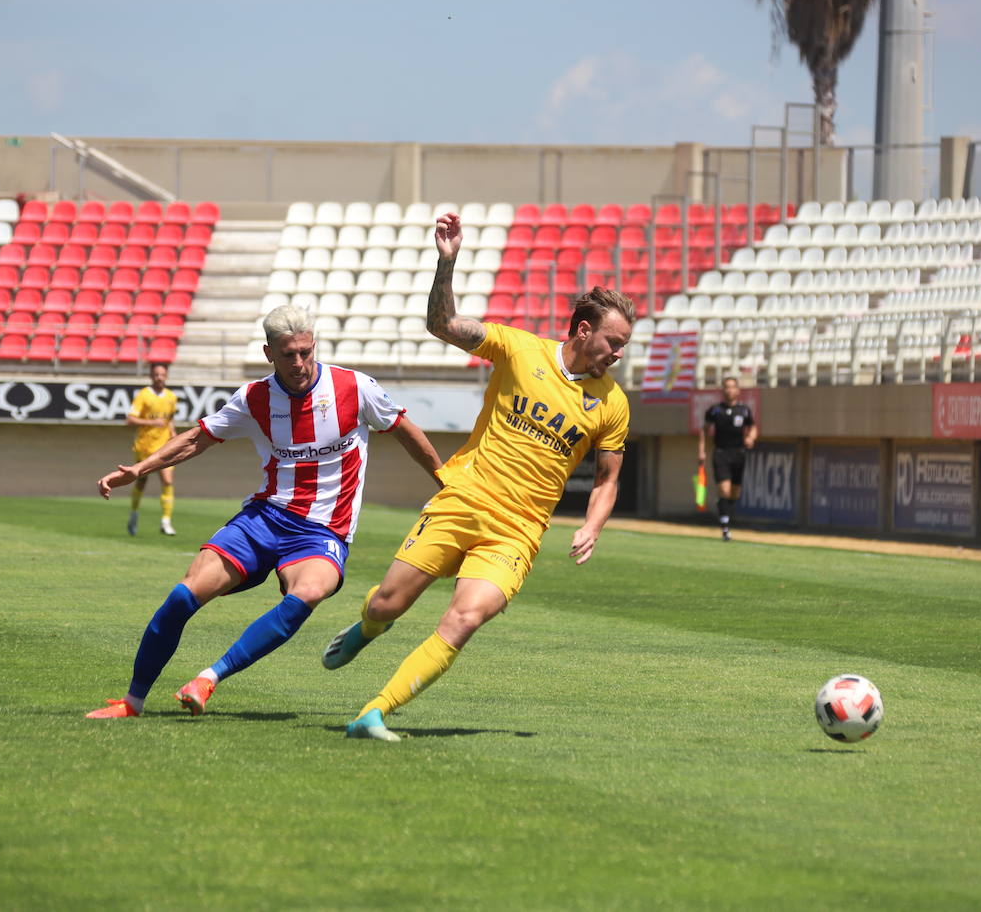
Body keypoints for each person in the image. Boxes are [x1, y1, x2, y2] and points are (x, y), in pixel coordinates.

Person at [321, 213, 634, 743]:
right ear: (584, 331)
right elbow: (443, 325)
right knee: (386, 603)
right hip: (462, 498)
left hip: (518, 531)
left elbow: (607, 480)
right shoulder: (519, 349)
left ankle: (374, 712)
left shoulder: (613, 403)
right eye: (613, 341)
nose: (619, 352)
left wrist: (594, 525)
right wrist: (448, 263)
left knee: (464, 620)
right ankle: (369, 626)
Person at [86, 305, 443, 719]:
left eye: (306, 352)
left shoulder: (354, 387)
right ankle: (132, 702)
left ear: (314, 346)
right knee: (185, 594)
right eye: (288, 354)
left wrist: (445, 482)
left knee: (308, 592)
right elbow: (197, 438)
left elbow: (405, 429)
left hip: (323, 531)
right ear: (268, 352)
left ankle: (208, 679)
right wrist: (140, 469)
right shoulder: (254, 398)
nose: (299, 363)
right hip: (264, 517)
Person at [698, 376, 758, 542]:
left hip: (739, 454)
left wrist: (751, 438)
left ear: (738, 390)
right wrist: (701, 451)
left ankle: (724, 511)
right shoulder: (715, 410)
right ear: (722, 390)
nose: (729, 390)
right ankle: (725, 528)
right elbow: (704, 430)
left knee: (735, 493)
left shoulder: (744, 410)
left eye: (732, 387)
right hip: (721, 453)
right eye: (726, 387)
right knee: (724, 489)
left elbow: (752, 427)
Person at [125, 362, 179, 536]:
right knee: (141, 482)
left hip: (163, 446)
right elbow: (130, 420)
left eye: (162, 375)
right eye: (156, 375)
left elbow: (169, 419)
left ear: (166, 376)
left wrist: (173, 433)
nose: (159, 378)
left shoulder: (171, 397)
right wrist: (152, 422)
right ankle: (134, 514)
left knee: (167, 481)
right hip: (145, 446)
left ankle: (166, 521)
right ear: (151, 376)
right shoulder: (143, 395)